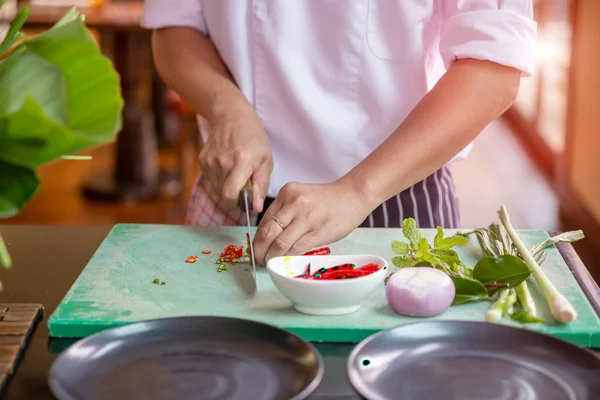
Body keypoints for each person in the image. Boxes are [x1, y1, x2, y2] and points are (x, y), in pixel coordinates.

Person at [142, 1, 537, 265]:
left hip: (396, 204)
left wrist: (358, 191)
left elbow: (493, 69)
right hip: (235, 196)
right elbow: (174, 26)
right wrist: (226, 107)